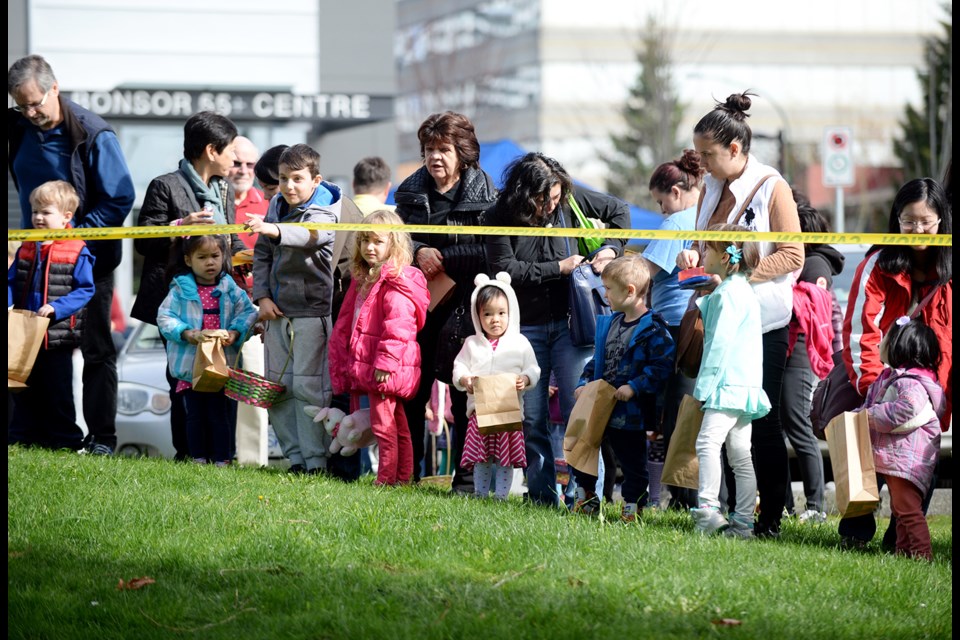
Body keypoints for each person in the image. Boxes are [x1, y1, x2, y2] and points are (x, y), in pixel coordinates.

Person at [677, 92, 803, 538]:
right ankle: (734, 515)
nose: (703, 164)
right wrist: (691, 258)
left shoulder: (773, 186)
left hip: (761, 323)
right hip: (717, 316)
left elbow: (793, 255)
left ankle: (769, 519)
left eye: (708, 155)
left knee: (759, 424)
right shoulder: (708, 187)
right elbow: (698, 243)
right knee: (726, 430)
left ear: (735, 149)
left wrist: (738, 278)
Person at [8, 54, 136, 455]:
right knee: (31, 345)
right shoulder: (16, 127)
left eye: (36, 103)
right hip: (34, 259)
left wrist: (73, 238)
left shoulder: (94, 133)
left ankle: (102, 438)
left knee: (96, 350)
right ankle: (35, 432)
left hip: (87, 260)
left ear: (54, 88)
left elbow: (119, 199)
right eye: (21, 105)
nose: (31, 112)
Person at [485, 152, 629, 507]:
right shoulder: (499, 215)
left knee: (578, 413)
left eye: (556, 197)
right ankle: (541, 495)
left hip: (573, 327)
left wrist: (610, 249)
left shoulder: (569, 198)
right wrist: (559, 268)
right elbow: (505, 267)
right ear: (524, 193)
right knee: (532, 418)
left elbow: (620, 214)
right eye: (543, 199)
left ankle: (584, 495)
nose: (552, 205)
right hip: (524, 331)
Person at [839, 177, 952, 548]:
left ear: (942, 221)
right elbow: (860, 330)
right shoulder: (877, 263)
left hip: (931, 397)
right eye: (908, 221)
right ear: (896, 219)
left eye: (926, 221)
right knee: (864, 452)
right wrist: (874, 388)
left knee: (921, 467)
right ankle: (855, 532)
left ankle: (901, 540)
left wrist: (941, 399)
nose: (917, 229)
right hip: (879, 387)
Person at [394, 111, 499, 490]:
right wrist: (419, 249)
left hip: (467, 305)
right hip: (416, 305)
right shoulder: (408, 194)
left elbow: (493, 250)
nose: (435, 157)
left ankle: (466, 481)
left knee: (464, 394)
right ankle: (408, 474)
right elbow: (395, 241)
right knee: (412, 390)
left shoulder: (487, 196)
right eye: (428, 149)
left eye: (444, 149)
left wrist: (447, 259)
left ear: (463, 152)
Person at [132, 111, 245, 461]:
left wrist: (249, 253)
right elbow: (142, 240)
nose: (236, 162)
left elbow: (228, 242)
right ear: (212, 150)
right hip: (179, 303)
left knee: (224, 383)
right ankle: (188, 454)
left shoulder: (222, 190)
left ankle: (223, 455)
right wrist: (181, 225)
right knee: (183, 384)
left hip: (220, 306)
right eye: (232, 154)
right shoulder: (165, 185)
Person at [247, 143, 345, 475]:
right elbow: (261, 256)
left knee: (309, 388)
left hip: (312, 314)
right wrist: (262, 296)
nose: (289, 186)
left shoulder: (327, 211)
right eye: (284, 179)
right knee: (278, 389)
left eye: (298, 179)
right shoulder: (276, 204)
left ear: (315, 180)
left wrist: (273, 230)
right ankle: (296, 461)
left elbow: (309, 236)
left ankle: (317, 461)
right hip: (276, 313)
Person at [569, 256, 674, 522]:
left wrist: (635, 386)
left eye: (608, 289)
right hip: (601, 405)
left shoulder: (653, 329)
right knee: (585, 447)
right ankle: (587, 497)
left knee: (632, 462)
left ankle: (632, 507)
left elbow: (662, 367)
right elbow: (597, 360)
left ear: (630, 290)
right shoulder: (611, 323)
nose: (604, 295)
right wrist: (584, 383)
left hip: (631, 413)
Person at [328, 210, 429, 486]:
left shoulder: (395, 282)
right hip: (376, 364)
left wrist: (385, 364)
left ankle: (386, 480)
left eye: (377, 241)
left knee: (385, 427)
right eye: (364, 240)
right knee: (397, 425)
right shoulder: (367, 278)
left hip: (384, 367)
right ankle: (402, 477)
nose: (369, 247)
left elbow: (399, 328)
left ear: (393, 244)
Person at [689, 225, 771, 538]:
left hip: (725, 385)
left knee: (707, 443)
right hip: (746, 385)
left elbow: (717, 345)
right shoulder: (745, 291)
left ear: (724, 257)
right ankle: (743, 524)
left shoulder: (726, 294)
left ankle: (708, 510)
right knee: (740, 455)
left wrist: (703, 389)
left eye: (707, 248)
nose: (703, 252)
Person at [8, 181, 95, 451]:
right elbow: (11, 280)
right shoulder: (27, 244)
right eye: (35, 211)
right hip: (25, 334)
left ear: (66, 217)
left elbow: (85, 289)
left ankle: (66, 441)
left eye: (45, 212)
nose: (37, 217)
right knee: (24, 388)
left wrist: (58, 308)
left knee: (57, 391)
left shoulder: (76, 248)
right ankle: (22, 437)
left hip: (57, 337)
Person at [157, 235, 257, 465]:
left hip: (222, 366)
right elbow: (164, 317)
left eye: (215, 256)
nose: (210, 262)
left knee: (219, 414)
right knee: (195, 415)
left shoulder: (230, 288)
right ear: (188, 260)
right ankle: (198, 457)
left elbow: (249, 312)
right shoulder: (180, 289)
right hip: (191, 366)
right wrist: (186, 332)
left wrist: (235, 332)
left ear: (224, 257)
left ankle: (222, 458)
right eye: (202, 257)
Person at [641, 149, 705, 511]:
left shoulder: (675, 224)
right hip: (699, 326)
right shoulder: (706, 217)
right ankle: (688, 496)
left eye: (661, 200)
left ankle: (684, 498)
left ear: (677, 191)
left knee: (675, 416)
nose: (662, 209)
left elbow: (643, 274)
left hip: (672, 328)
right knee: (694, 412)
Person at [856, 318, 945, 561]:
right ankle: (903, 552)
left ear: (900, 347)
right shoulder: (892, 378)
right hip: (898, 458)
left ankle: (922, 555)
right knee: (901, 509)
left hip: (904, 459)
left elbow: (906, 409)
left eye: (885, 337)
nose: (879, 343)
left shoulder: (909, 382)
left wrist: (869, 417)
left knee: (908, 511)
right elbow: (870, 406)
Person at [782, 196, 844, 523]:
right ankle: (783, 503)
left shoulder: (815, 264)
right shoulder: (801, 261)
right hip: (785, 348)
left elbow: (810, 311)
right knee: (779, 427)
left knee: (798, 426)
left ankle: (815, 506)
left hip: (801, 351)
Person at [453, 273, 541, 500]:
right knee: (481, 456)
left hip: (508, 412)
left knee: (505, 457)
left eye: (502, 313)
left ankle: (501, 496)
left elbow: (534, 368)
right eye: (488, 314)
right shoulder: (472, 344)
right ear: (477, 316)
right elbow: (459, 367)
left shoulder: (520, 342)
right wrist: (465, 380)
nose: (495, 319)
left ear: (510, 313)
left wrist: (526, 379)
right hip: (479, 412)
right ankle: (480, 493)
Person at [225, 135, 270, 467]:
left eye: (250, 164)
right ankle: (218, 455)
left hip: (256, 304)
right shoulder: (215, 201)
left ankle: (253, 461)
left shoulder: (268, 204)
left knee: (254, 380)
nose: (242, 170)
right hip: (219, 304)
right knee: (216, 379)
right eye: (237, 162)